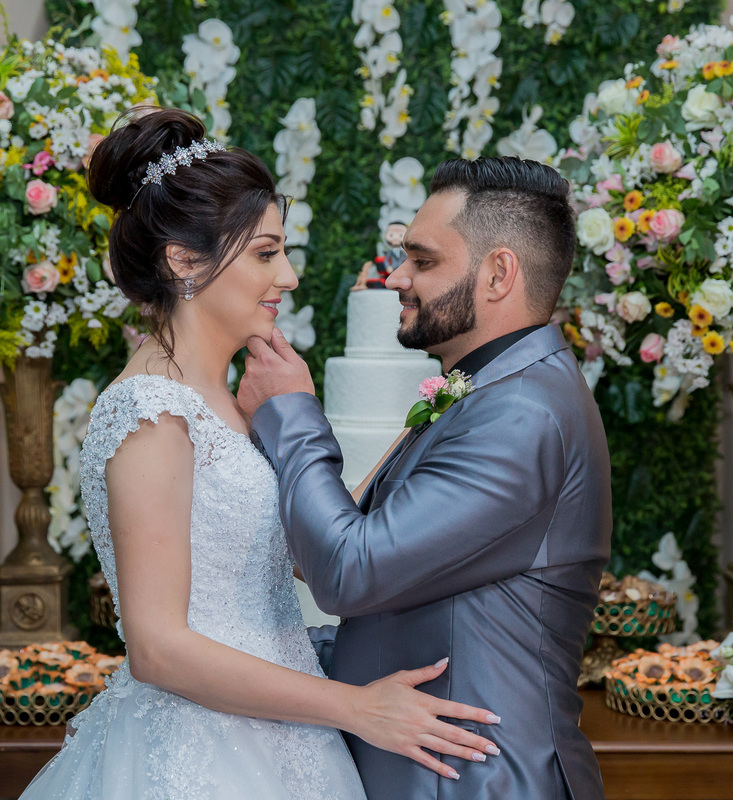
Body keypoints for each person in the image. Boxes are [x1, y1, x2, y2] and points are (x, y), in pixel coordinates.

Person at [16, 108, 500, 800]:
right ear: (183, 260)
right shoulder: (151, 411)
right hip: (199, 755)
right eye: (266, 253)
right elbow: (157, 648)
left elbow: (307, 560)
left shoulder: (235, 397)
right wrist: (357, 708)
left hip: (288, 737)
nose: (290, 277)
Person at [240, 157, 612, 800]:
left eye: (423, 260)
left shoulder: (521, 413)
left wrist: (292, 413)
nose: (397, 277)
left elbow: (348, 570)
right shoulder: (489, 389)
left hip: (478, 781)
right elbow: (380, 580)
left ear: (499, 274)